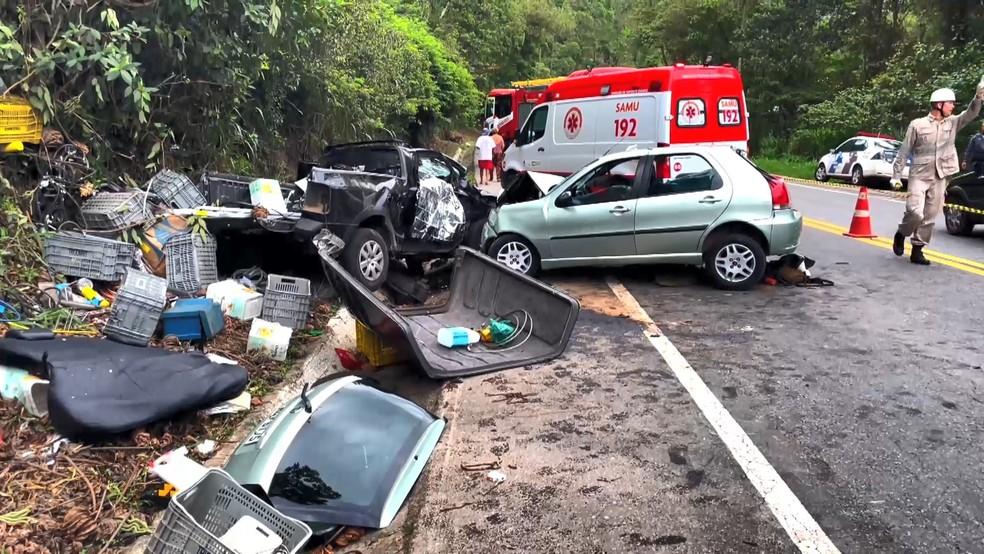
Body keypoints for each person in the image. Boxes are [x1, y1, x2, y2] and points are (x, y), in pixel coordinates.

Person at [891, 86, 983, 265]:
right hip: (919, 174)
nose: (953, 106)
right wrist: (896, 175)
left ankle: (917, 249)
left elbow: (971, 113)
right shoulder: (917, 125)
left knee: (930, 214)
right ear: (939, 104)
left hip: (942, 175)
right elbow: (904, 150)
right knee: (915, 213)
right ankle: (902, 233)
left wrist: (978, 97)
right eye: (950, 103)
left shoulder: (953, 122)